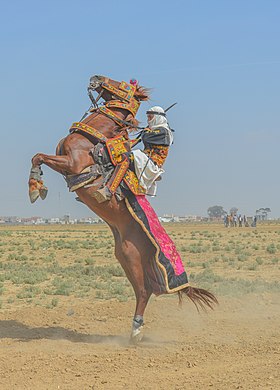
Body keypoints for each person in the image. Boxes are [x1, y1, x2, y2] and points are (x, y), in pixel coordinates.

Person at [94, 106, 174, 202]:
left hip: (152, 162)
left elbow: (146, 137)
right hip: (145, 158)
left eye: (150, 117)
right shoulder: (153, 130)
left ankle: (109, 190)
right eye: (148, 117)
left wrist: (146, 131)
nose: (148, 120)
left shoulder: (164, 131)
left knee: (125, 157)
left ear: (157, 118)